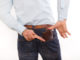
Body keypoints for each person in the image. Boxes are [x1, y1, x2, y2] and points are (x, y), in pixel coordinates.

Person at [0, 0, 70, 60]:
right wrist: (62, 18)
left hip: (26, 34)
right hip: (46, 31)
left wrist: (22, 30)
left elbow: (3, 12)